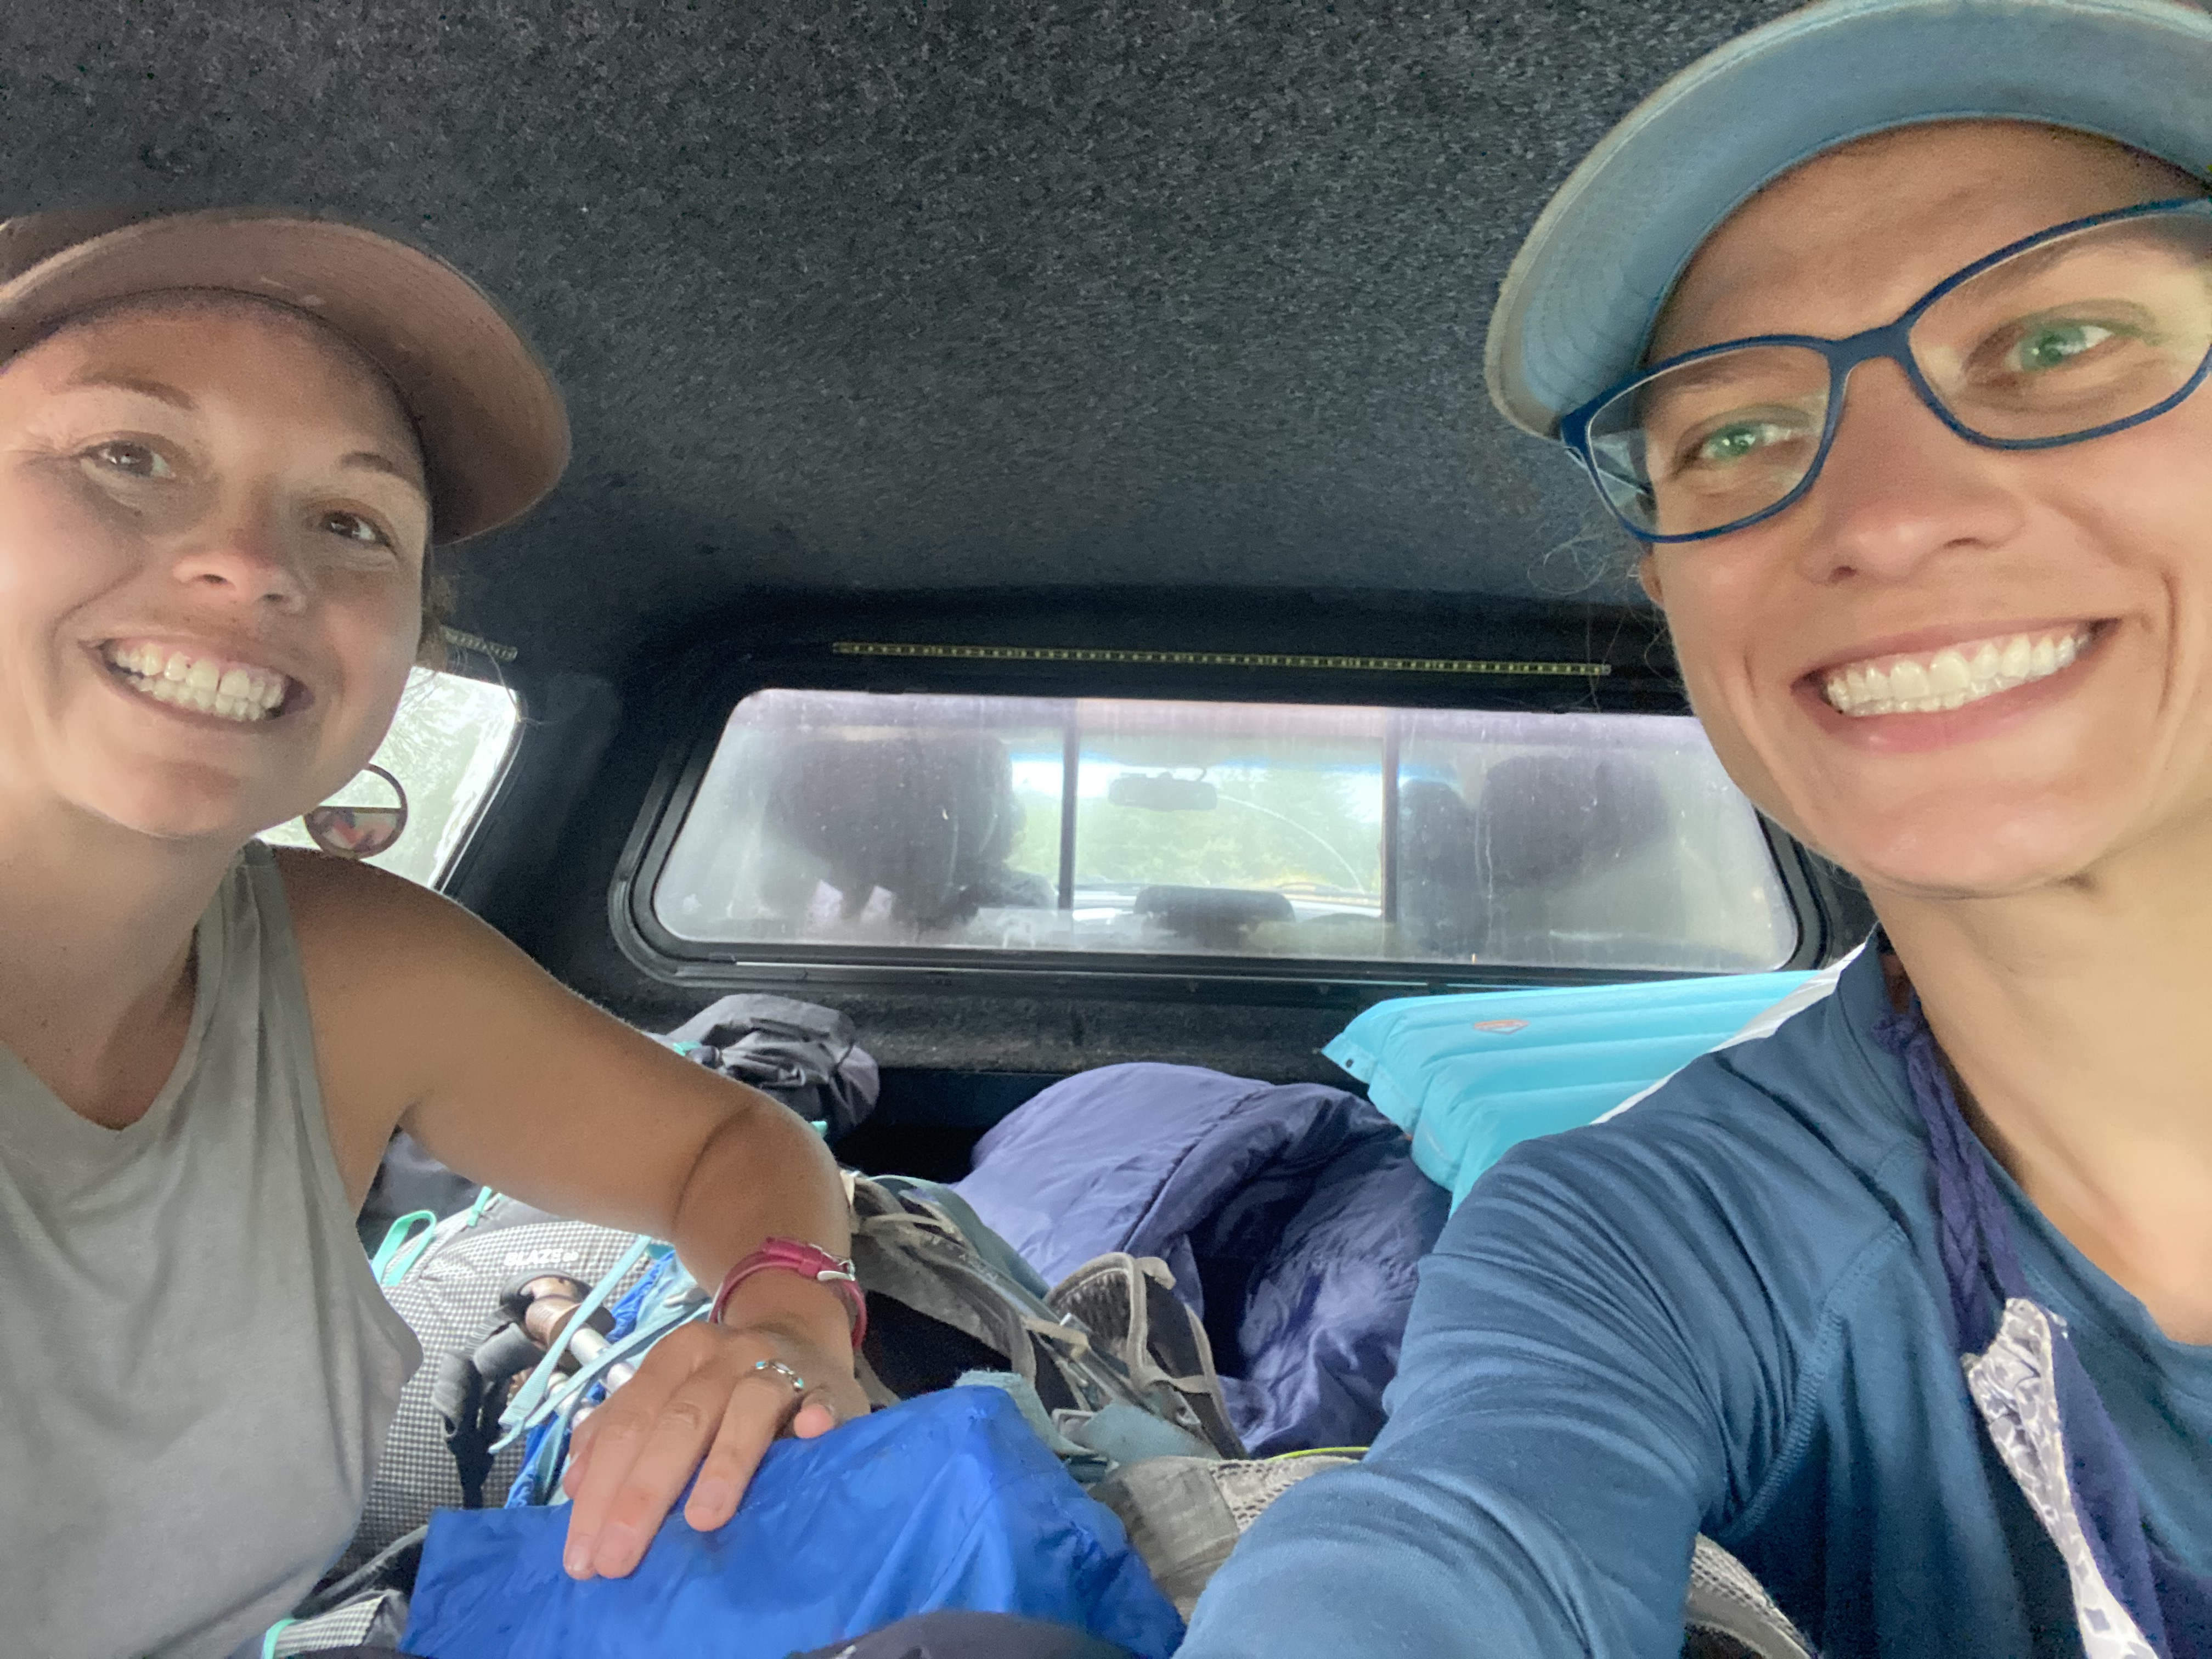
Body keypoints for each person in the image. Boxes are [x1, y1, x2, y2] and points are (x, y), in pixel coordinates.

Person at [1177, 0, 2212, 1654]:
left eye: (2058, 344)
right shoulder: (1637, 1240)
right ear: (1676, 600)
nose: (1881, 514)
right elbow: (1458, 1544)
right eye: (1737, 434)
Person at [0, 206, 870, 1657]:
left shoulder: (351, 968)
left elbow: (741, 1144)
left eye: (349, 522)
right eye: (129, 456)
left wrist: (784, 1327)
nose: (252, 564)